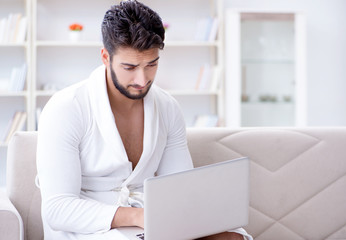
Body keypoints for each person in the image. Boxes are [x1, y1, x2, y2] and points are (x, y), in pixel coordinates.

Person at [36, 1, 252, 239]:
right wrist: (139, 217)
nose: (142, 79)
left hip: (152, 222)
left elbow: (179, 188)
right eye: (130, 67)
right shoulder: (67, 108)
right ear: (105, 57)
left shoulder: (168, 108)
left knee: (233, 237)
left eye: (152, 64)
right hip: (91, 226)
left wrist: (186, 218)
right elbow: (57, 209)